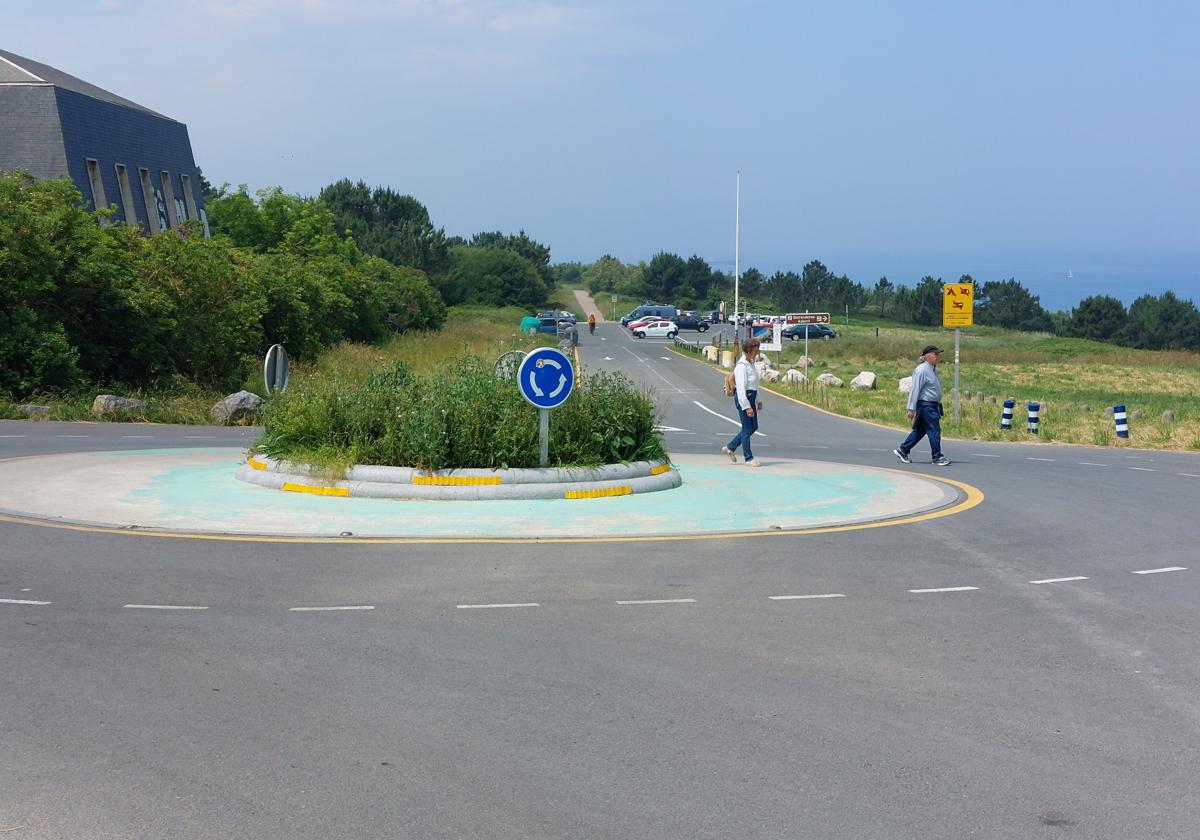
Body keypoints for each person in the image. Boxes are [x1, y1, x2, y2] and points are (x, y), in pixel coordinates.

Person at [894, 344, 951, 466]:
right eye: (936, 354)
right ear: (927, 356)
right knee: (934, 430)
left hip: (931, 405)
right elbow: (915, 389)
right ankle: (937, 457)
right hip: (926, 405)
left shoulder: (932, 369)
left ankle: (903, 450)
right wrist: (911, 408)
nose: (938, 357)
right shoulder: (922, 370)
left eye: (938, 354)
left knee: (921, 430)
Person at [722, 337, 764, 467]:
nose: (758, 352)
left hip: (751, 397)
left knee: (753, 427)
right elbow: (741, 388)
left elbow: (753, 384)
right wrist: (746, 407)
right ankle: (748, 458)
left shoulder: (749, 363)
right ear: (749, 350)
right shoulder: (741, 366)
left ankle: (730, 447)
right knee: (747, 429)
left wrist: (758, 400)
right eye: (756, 349)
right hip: (744, 398)